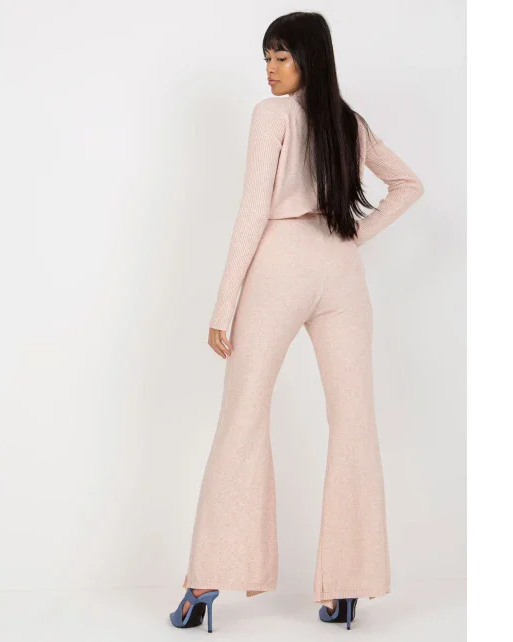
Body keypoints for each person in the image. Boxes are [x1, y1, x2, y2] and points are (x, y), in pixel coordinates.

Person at [170, 11, 424, 632]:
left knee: (244, 412)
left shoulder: (273, 116)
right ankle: (349, 585)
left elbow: (253, 208)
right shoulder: (347, 121)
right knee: (354, 421)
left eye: (281, 56)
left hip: (280, 265)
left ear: (310, 57)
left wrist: (224, 303)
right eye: (267, 57)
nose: (270, 69)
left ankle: (206, 580)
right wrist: (352, 237)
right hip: (340, 270)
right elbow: (408, 185)